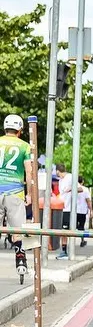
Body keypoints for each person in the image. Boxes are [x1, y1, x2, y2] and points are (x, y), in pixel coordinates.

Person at [0, 115, 32, 277]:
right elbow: (28, 171)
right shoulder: (25, 147)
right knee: (17, 230)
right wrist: (30, 194)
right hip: (15, 192)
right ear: (19, 130)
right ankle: (21, 261)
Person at [56, 163, 84, 259]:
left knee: (65, 230)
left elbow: (80, 189)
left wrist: (71, 189)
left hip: (68, 208)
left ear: (57, 171)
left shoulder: (70, 177)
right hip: (62, 207)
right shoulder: (60, 181)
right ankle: (63, 250)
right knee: (62, 230)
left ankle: (65, 251)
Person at [76, 176, 93, 248]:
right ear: (82, 181)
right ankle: (82, 240)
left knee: (72, 226)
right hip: (82, 211)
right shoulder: (85, 190)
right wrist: (91, 210)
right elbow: (88, 200)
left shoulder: (73, 188)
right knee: (81, 227)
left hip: (74, 210)